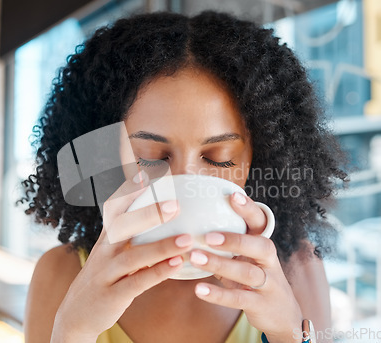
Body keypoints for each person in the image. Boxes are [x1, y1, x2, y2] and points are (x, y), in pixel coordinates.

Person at [22, 10, 347, 343]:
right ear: (105, 156)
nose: (184, 180)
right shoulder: (62, 275)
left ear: (258, 159)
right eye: (151, 157)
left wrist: (287, 333)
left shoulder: (298, 270)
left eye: (219, 158)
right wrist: (71, 332)